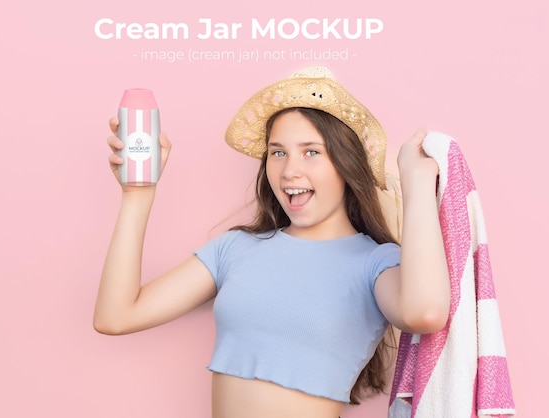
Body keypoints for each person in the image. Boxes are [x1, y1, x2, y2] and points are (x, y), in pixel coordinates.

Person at [93, 66, 451, 418]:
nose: (289, 170)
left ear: (346, 164)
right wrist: (137, 193)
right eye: (278, 152)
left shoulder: (375, 263)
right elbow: (116, 316)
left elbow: (424, 314)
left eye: (311, 151)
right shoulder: (235, 249)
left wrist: (417, 185)